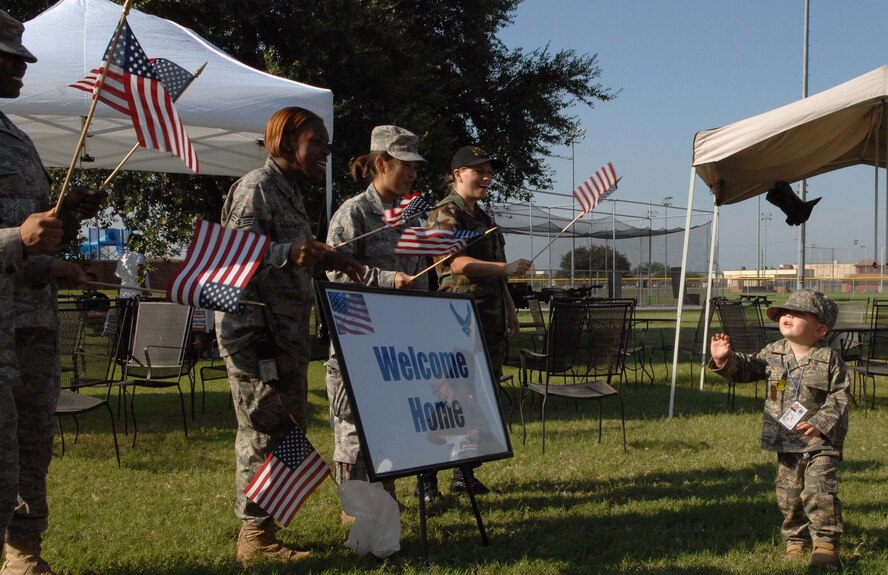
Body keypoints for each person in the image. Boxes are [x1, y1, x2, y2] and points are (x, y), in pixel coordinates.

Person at [214, 106, 362, 565]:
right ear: (285, 141)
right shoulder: (257, 187)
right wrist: (290, 251)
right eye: (317, 142)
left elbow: (291, 257)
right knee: (262, 428)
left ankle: (265, 528)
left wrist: (326, 259)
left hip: (288, 336)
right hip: (256, 335)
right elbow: (232, 259)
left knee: (285, 427)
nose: (325, 152)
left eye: (326, 144)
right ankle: (254, 537)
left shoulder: (291, 192)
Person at [0, 10, 106, 574]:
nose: (21, 66)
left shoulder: (15, 137)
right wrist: (17, 238)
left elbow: (30, 236)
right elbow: (16, 235)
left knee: (33, 446)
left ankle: (23, 556)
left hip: (32, 321)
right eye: (9, 56)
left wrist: (62, 222)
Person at [324, 125, 428, 520]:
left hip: (396, 346)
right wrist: (388, 280)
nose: (413, 174)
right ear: (380, 163)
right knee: (353, 429)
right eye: (406, 166)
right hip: (357, 343)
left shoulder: (409, 220)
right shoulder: (354, 213)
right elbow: (335, 273)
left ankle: (384, 500)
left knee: (388, 426)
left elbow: (420, 274)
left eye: (416, 168)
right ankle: (355, 510)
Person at [708, 289, 850, 568]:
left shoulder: (829, 359)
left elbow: (840, 396)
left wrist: (820, 423)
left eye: (798, 313)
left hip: (820, 441)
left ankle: (824, 542)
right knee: (789, 493)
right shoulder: (774, 352)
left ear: (820, 329)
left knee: (820, 488)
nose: (788, 315)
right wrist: (725, 360)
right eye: (785, 312)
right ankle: (796, 540)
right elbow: (748, 369)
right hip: (785, 439)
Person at [422, 145, 532, 501]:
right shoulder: (444, 213)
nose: (486, 178)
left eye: (488, 172)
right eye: (477, 171)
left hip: (490, 321)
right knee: (448, 399)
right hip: (457, 322)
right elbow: (454, 264)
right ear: (458, 175)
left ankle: (463, 471)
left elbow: (497, 277)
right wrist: (504, 268)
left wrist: (511, 311)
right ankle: (427, 477)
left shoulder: (483, 217)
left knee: (477, 399)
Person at [115, 234, 149, 298]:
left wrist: (119, 295)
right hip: (138, 295)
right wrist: (144, 288)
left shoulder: (123, 257)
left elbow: (118, 279)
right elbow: (139, 268)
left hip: (124, 295)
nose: (145, 248)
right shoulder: (140, 256)